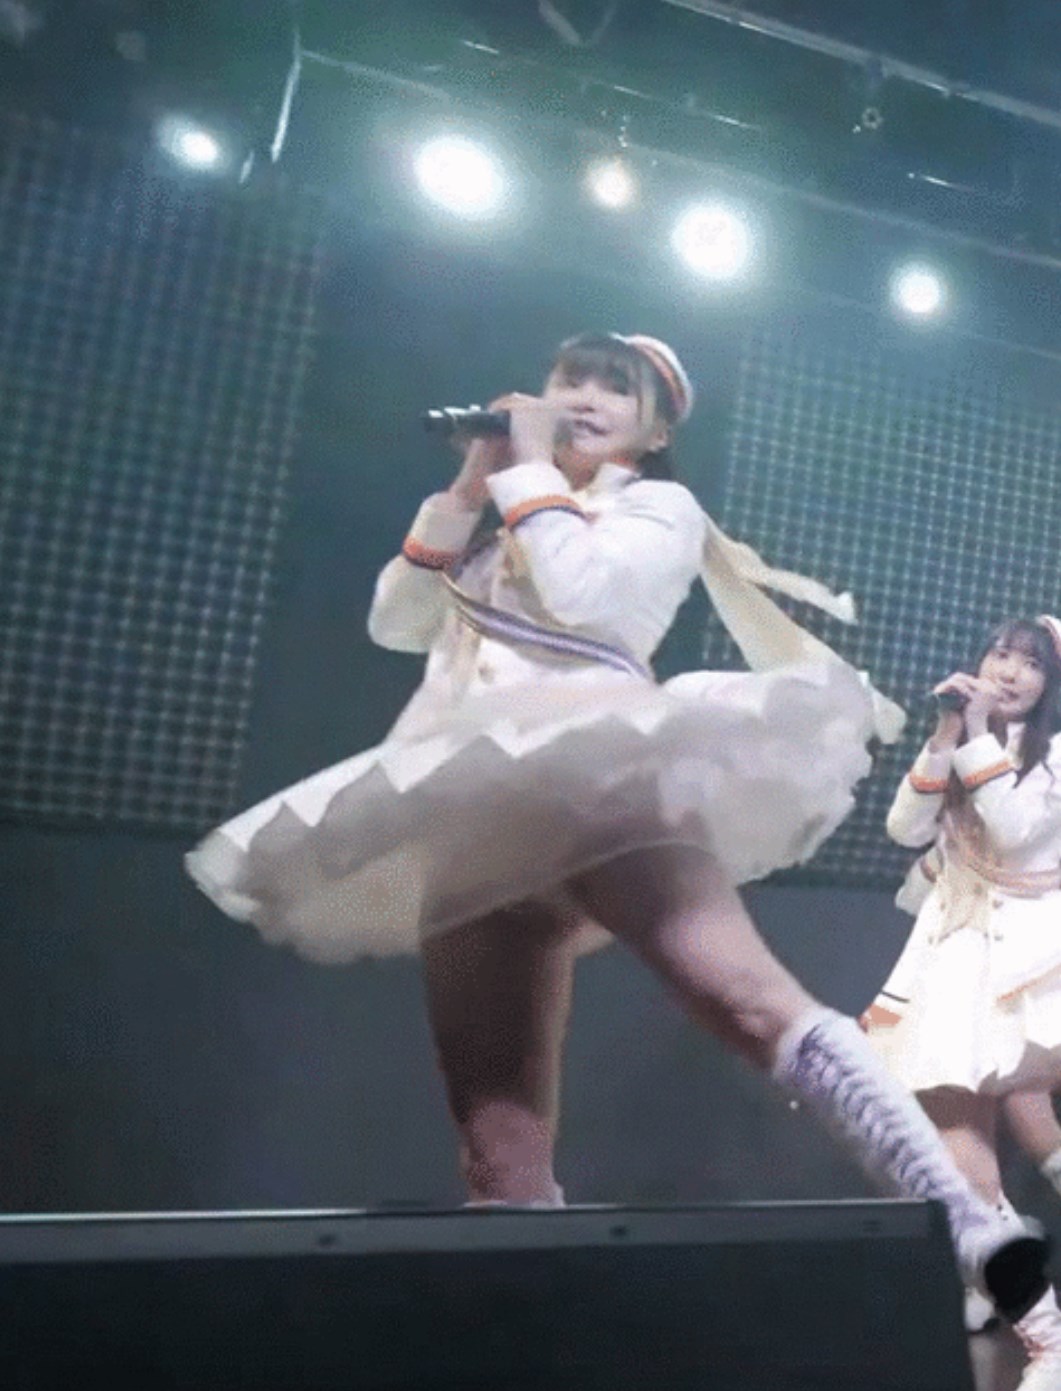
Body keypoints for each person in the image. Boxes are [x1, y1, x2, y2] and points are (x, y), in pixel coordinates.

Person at [187, 332, 1046, 1319]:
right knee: (496, 1143)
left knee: (746, 999)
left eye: (615, 388)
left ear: (656, 426)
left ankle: (967, 1224)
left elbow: (587, 600)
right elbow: (397, 618)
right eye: (570, 380)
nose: (584, 397)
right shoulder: (503, 511)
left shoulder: (656, 508)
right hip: (465, 807)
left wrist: (524, 470)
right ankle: (529, 1327)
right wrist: (470, 482)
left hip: (595, 777)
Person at [862, 616, 1061, 1380]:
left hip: (1035, 960)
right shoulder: (964, 736)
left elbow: (1013, 831)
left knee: (1029, 1112)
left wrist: (976, 732)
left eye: (1029, 663)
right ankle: (1045, 1336)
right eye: (999, 654)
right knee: (960, 1153)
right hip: (952, 965)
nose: (1008, 671)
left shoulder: (1055, 755)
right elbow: (901, 827)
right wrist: (947, 730)